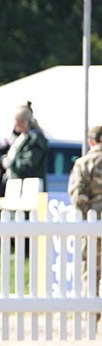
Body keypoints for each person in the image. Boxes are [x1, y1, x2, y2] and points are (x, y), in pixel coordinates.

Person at [69, 126, 102, 300]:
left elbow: (78, 195)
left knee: (91, 270)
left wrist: (84, 214)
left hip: (93, 224)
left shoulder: (83, 163)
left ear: (91, 141)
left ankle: (92, 316)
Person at [2, 103, 49, 190]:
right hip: (17, 186)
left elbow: (28, 165)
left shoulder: (35, 140)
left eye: (17, 123)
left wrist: (10, 164)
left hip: (30, 189)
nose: (15, 127)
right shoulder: (21, 137)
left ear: (23, 122)